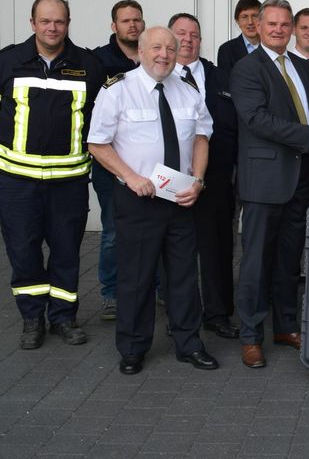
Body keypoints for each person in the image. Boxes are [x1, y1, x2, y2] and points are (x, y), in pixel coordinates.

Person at [87, 26, 219, 373]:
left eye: (170, 49)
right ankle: (132, 348)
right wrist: (130, 177)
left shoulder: (188, 90)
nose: (164, 54)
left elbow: (202, 137)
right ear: (141, 52)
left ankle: (189, 344)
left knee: (184, 276)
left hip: (181, 197)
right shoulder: (118, 90)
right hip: (138, 197)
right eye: (156, 47)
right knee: (136, 276)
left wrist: (199, 179)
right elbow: (97, 143)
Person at [0, 0, 105, 349]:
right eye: (45, 21)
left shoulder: (89, 66)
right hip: (18, 181)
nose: (52, 28)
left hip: (69, 181)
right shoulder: (7, 62)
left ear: (68, 23)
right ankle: (32, 318)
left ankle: (64, 318)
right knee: (23, 249)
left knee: (67, 250)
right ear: (32, 22)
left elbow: (100, 117)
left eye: (59, 22)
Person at [230, 0, 309, 368]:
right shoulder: (247, 68)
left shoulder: (300, 66)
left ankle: (286, 325)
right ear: (258, 27)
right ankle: (250, 335)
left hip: (300, 178)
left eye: (284, 24)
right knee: (256, 261)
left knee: (290, 259)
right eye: (272, 24)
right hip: (263, 181)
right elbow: (257, 119)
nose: (279, 30)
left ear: (292, 29)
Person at [169, 13, 240, 339]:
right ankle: (179, 315)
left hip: (216, 179)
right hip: (171, 180)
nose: (188, 39)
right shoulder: (159, 77)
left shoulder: (221, 77)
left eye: (194, 34)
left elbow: (235, 126)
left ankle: (218, 313)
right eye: (181, 33)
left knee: (218, 248)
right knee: (175, 251)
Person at [91, 0, 145, 321]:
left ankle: (153, 287)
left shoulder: (154, 55)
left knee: (151, 228)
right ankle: (111, 293)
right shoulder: (99, 61)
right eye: (125, 21)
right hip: (110, 165)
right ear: (114, 26)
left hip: (147, 164)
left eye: (137, 20)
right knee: (113, 230)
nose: (132, 26)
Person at [216, 0, 261, 76]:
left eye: (255, 16)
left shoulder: (272, 46)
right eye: (244, 17)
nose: (250, 22)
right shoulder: (226, 50)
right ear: (237, 22)